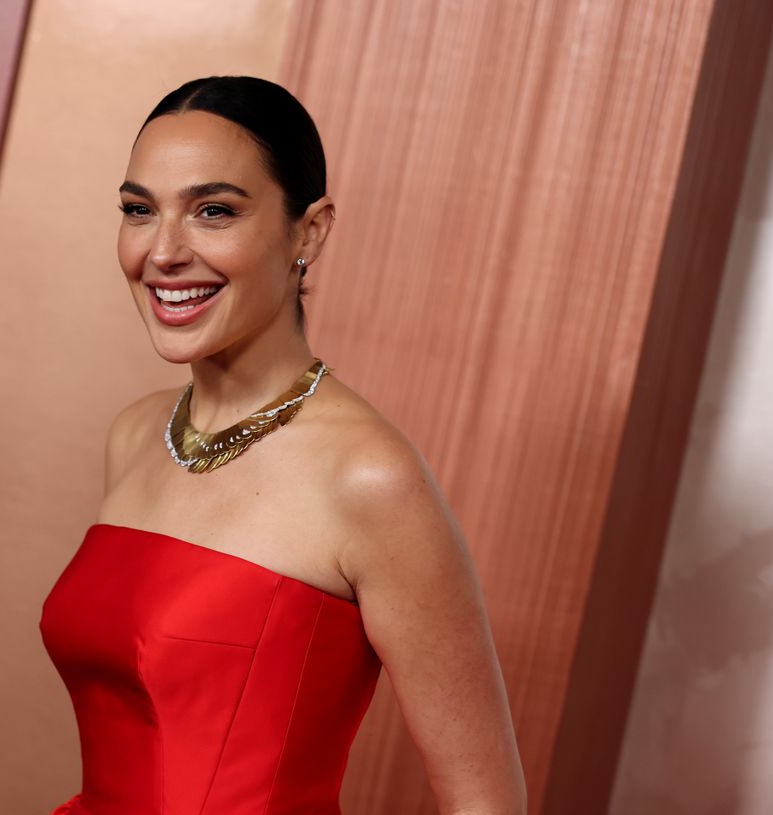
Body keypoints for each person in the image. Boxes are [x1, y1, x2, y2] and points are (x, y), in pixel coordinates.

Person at [40, 75, 526, 814]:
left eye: (213, 211)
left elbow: (486, 802)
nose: (164, 251)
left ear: (311, 230)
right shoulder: (137, 435)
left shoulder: (368, 477)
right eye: (140, 210)